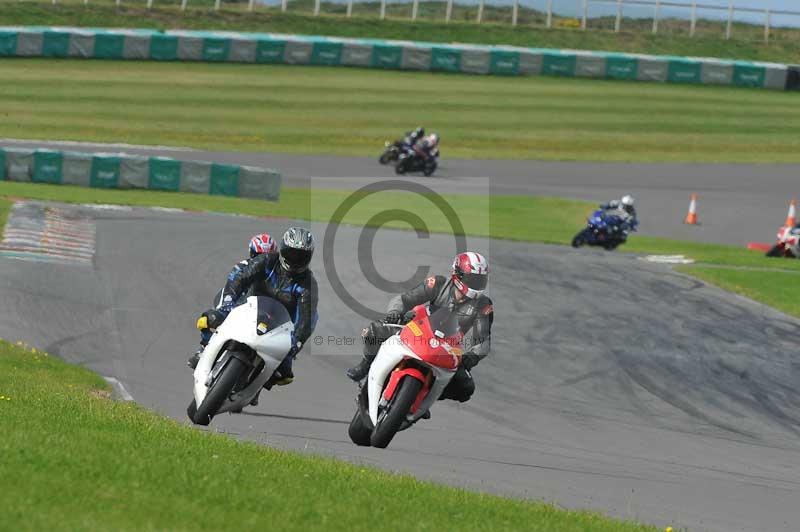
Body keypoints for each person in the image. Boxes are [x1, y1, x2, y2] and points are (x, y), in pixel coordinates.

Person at [346, 252, 493, 407]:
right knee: (373, 331)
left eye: (480, 280)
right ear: (458, 275)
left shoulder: (484, 305)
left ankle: (423, 395)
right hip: (416, 329)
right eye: (473, 279)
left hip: (448, 347)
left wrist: (473, 356)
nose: (476, 284)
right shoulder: (438, 283)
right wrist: (395, 312)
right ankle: (365, 364)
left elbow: (483, 340)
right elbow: (404, 299)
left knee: (465, 388)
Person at [189, 227, 319, 390]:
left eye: (301, 256)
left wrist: (296, 343)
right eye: (292, 253)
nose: (295, 259)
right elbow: (240, 279)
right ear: (283, 249)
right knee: (212, 318)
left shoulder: (308, 284)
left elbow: (306, 320)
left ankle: (259, 383)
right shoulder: (267, 261)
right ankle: (204, 347)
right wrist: (228, 301)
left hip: (280, 325)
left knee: (284, 371)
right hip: (248, 307)